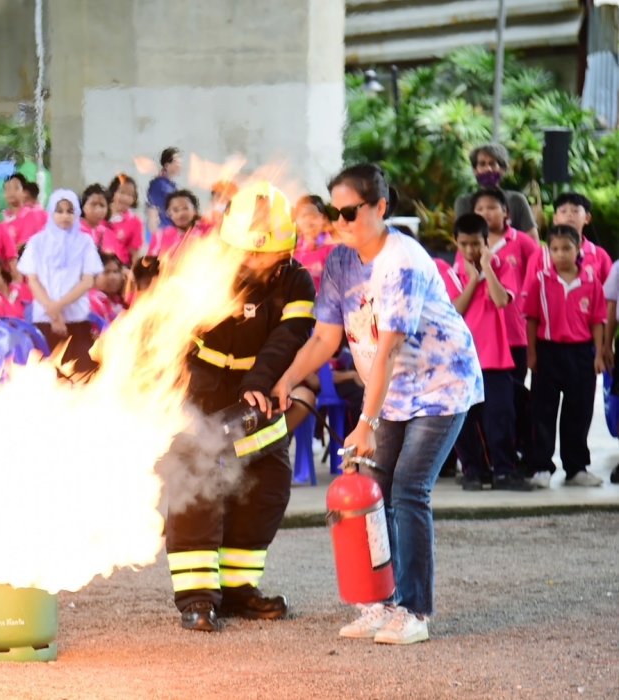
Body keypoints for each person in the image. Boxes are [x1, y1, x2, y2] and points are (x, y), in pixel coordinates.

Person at [272, 164, 483, 645]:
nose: (339, 221)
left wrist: (364, 422)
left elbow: (387, 350)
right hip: (389, 388)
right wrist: (285, 379)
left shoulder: (401, 262)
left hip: (440, 384)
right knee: (375, 488)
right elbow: (324, 339)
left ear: (381, 208)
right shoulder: (340, 263)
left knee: (408, 487)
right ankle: (380, 603)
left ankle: (414, 610)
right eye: (333, 212)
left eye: (350, 211)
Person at [163, 182, 315, 633]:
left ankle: (237, 593)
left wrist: (259, 383)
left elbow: (289, 336)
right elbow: (170, 331)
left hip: (259, 393)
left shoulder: (297, 280)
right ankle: (196, 600)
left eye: (263, 254)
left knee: (267, 487)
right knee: (196, 488)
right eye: (246, 252)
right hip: (199, 390)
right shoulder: (206, 270)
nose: (254, 262)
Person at [444, 214, 527, 491]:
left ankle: (503, 470)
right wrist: (471, 280)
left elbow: (501, 299)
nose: (470, 250)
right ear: (456, 242)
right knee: (464, 420)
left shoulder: (502, 266)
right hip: (461, 361)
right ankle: (473, 471)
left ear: (486, 242)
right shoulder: (449, 272)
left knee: (500, 417)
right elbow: (456, 309)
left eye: (476, 244)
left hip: (496, 358)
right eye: (465, 244)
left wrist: (486, 269)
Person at [522, 225, 607, 488]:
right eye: (555, 249)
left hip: (581, 353)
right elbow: (532, 319)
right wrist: (532, 353)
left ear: (578, 249)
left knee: (578, 412)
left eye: (567, 248)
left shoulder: (591, 281)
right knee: (543, 411)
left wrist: (599, 354)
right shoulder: (541, 280)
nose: (561, 254)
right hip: (548, 352)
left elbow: (598, 320)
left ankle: (576, 468)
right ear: (548, 251)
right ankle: (541, 467)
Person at [469, 187, 538, 467]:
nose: (486, 213)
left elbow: (535, 281)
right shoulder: (469, 247)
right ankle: (488, 459)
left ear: (506, 212)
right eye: (480, 209)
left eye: (492, 207)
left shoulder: (522, 242)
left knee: (515, 399)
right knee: (485, 402)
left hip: (515, 335)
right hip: (482, 341)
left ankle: (517, 451)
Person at [18, 189, 104, 372]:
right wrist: (54, 314)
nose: (65, 216)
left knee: (83, 373)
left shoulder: (85, 242)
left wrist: (58, 307)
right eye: (59, 210)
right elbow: (32, 280)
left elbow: (87, 281)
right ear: (51, 212)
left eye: (70, 211)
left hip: (77, 319)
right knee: (46, 374)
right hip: (44, 319)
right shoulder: (36, 242)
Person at [453, 144, 538, 240]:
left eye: (492, 164)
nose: (488, 169)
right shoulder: (464, 202)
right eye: (482, 164)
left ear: (503, 169)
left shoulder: (516, 200)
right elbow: (462, 241)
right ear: (475, 170)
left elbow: (533, 241)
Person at [292, 195, 336, 293]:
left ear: (323, 219)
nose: (308, 221)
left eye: (313, 215)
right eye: (303, 216)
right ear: (297, 220)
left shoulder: (331, 249)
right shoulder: (294, 249)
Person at [147, 190, 210, 258]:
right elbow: (150, 263)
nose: (181, 214)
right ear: (169, 213)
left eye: (185, 208)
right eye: (175, 210)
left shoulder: (208, 233)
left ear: (195, 211)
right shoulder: (159, 236)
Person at [106, 173, 145, 265]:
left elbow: (135, 254)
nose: (125, 198)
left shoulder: (135, 222)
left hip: (120, 269)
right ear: (113, 192)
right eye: (122, 192)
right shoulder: (101, 213)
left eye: (130, 195)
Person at [3, 173, 48, 250]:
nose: (11, 192)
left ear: (24, 192)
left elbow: (26, 246)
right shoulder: (4, 223)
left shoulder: (33, 215)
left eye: (16, 188)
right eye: (7, 189)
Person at [147, 147, 182, 232]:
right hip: (164, 233)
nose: (179, 165)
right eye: (176, 162)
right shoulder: (159, 185)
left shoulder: (171, 185)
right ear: (167, 165)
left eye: (180, 162)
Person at [87, 253, 127, 322]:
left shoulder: (118, 299)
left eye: (116, 271)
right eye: (106, 272)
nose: (113, 277)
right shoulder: (94, 300)